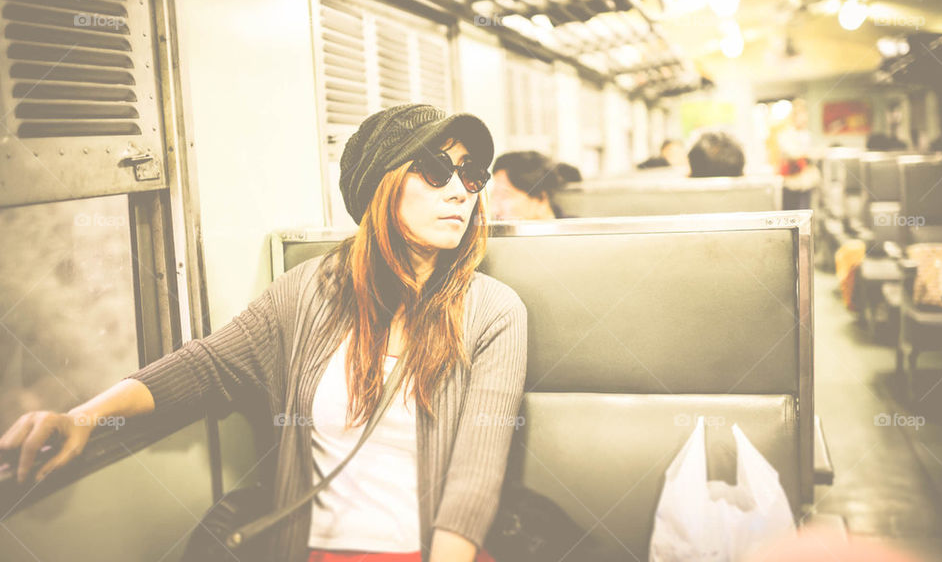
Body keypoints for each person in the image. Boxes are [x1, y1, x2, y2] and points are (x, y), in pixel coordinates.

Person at [0, 104, 528, 562]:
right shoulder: (307, 292)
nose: (461, 191)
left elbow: (473, 483)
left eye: (471, 174)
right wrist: (84, 417)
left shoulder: (493, 311)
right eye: (436, 170)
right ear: (379, 188)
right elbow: (204, 366)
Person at [489, 151, 580, 220]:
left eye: (505, 196)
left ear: (540, 198)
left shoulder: (579, 235)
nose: (495, 210)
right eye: (494, 196)